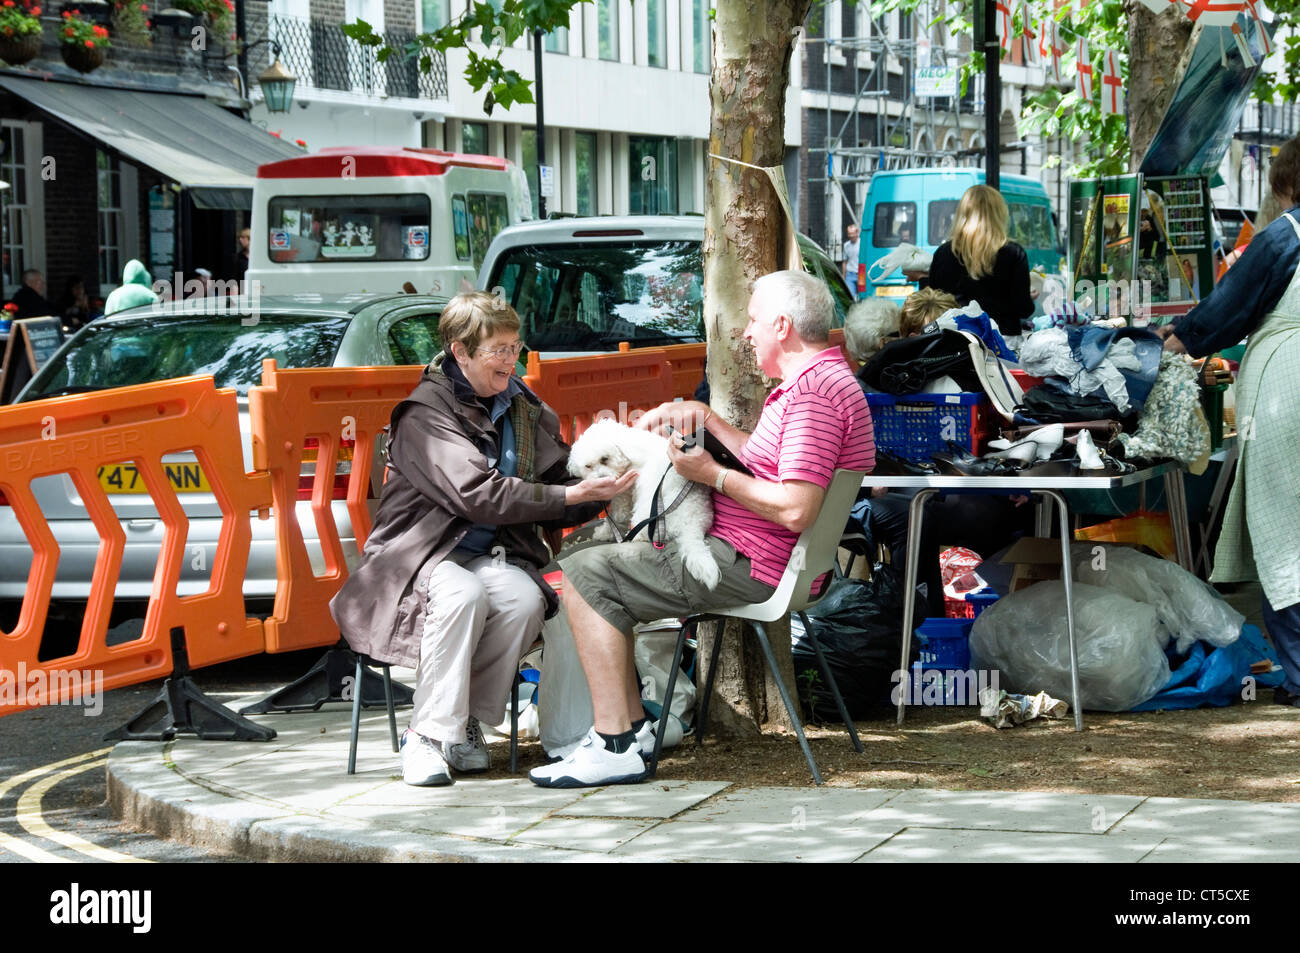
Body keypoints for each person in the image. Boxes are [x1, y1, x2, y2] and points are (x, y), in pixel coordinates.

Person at [528, 270, 875, 788]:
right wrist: (707, 420)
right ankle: (633, 731)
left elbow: (796, 508)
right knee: (594, 560)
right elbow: (769, 467)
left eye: (754, 321)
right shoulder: (821, 382)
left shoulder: (813, 398)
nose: (746, 333)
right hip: (758, 555)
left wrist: (709, 474)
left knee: (580, 574)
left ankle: (616, 742)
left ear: (782, 326)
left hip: (750, 563)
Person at [329, 291, 631, 786]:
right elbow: (477, 496)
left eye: (516, 347)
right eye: (498, 350)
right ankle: (425, 738)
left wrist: (615, 474)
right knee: (464, 594)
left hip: (493, 554)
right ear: (460, 351)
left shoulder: (521, 405)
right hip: (418, 556)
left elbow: (560, 472)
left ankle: (464, 722)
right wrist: (573, 496)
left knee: (523, 598)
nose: (511, 360)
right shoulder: (425, 413)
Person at [1158, 134, 1300, 710]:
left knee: (1282, 534)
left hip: (1287, 392)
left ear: (1288, 184)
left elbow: (1229, 305)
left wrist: (1176, 340)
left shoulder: (1286, 235)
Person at [927, 185, 1034, 345]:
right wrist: (1027, 297)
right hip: (1003, 340)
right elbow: (1024, 309)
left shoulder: (943, 253)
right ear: (999, 214)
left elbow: (935, 301)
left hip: (955, 340)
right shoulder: (1013, 253)